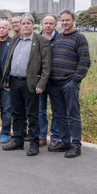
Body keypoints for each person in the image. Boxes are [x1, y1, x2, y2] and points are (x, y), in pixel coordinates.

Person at [2, 14, 51, 156]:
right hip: (14, 81)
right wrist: (7, 79)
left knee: (32, 114)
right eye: (23, 23)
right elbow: (8, 60)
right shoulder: (15, 39)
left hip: (30, 83)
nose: (25, 25)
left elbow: (46, 66)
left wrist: (41, 83)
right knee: (17, 113)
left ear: (33, 25)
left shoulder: (41, 41)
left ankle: (34, 144)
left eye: (28, 23)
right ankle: (18, 140)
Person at [47, 10, 91, 158]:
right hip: (54, 83)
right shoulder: (58, 37)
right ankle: (65, 142)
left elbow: (85, 61)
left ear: (73, 21)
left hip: (69, 83)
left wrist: (74, 81)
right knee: (59, 115)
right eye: (63, 20)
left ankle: (76, 145)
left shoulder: (79, 38)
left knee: (73, 114)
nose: (65, 23)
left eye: (67, 20)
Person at [38, 15, 60, 147]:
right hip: (40, 79)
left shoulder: (60, 38)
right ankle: (41, 136)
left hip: (56, 79)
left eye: (51, 23)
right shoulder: (36, 39)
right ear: (41, 24)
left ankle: (55, 136)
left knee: (56, 109)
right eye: (46, 23)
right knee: (40, 109)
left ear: (55, 25)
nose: (48, 26)